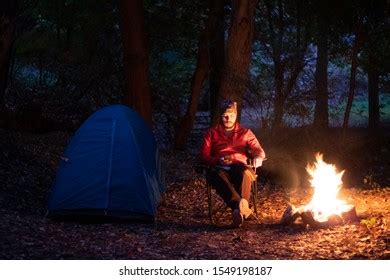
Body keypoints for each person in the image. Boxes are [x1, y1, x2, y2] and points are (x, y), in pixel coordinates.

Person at [198, 99, 266, 228]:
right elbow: (203, 156)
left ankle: (238, 208)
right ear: (220, 116)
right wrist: (217, 160)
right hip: (219, 166)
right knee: (216, 175)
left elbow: (259, 151)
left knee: (244, 173)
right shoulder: (212, 133)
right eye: (225, 116)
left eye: (232, 115)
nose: (228, 118)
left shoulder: (245, 133)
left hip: (239, 165)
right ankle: (241, 207)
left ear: (236, 115)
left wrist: (259, 157)